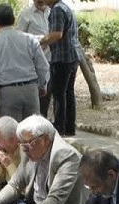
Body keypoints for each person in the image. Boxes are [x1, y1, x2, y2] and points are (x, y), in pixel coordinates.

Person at [0, 4, 49, 121]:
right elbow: (43, 65)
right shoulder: (29, 39)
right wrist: (43, 85)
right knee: (32, 129)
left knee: (10, 130)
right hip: (30, 90)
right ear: (14, 20)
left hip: (7, 93)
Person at [40, 0, 82, 136]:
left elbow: (57, 34)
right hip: (73, 56)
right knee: (68, 92)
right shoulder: (65, 7)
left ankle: (59, 127)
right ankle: (69, 127)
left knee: (59, 93)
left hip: (62, 57)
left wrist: (41, 41)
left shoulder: (57, 9)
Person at [17, 0, 52, 117]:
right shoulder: (25, 15)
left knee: (47, 96)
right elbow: (19, 38)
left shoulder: (52, 12)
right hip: (33, 64)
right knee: (36, 97)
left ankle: (43, 120)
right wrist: (41, 39)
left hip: (51, 59)